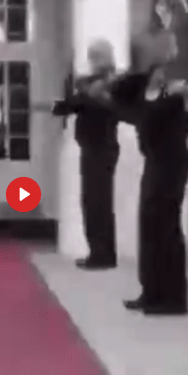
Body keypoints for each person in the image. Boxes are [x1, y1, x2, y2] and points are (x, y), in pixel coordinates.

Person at [120, 33, 188, 316]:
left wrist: (167, 94)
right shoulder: (142, 82)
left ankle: (173, 298)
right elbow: (122, 97)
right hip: (153, 160)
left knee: (166, 225)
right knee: (149, 225)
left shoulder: (176, 81)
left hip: (172, 161)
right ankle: (151, 291)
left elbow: (160, 116)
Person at [52, 39, 120, 270]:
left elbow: (99, 105)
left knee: (98, 202)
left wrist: (82, 97)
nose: (91, 61)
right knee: (93, 202)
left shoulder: (112, 82)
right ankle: (99, 252)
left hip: (101, 148)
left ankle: (102, 254)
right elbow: (72, 103)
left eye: (95, 56)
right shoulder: (91, 82)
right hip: (93, 148)